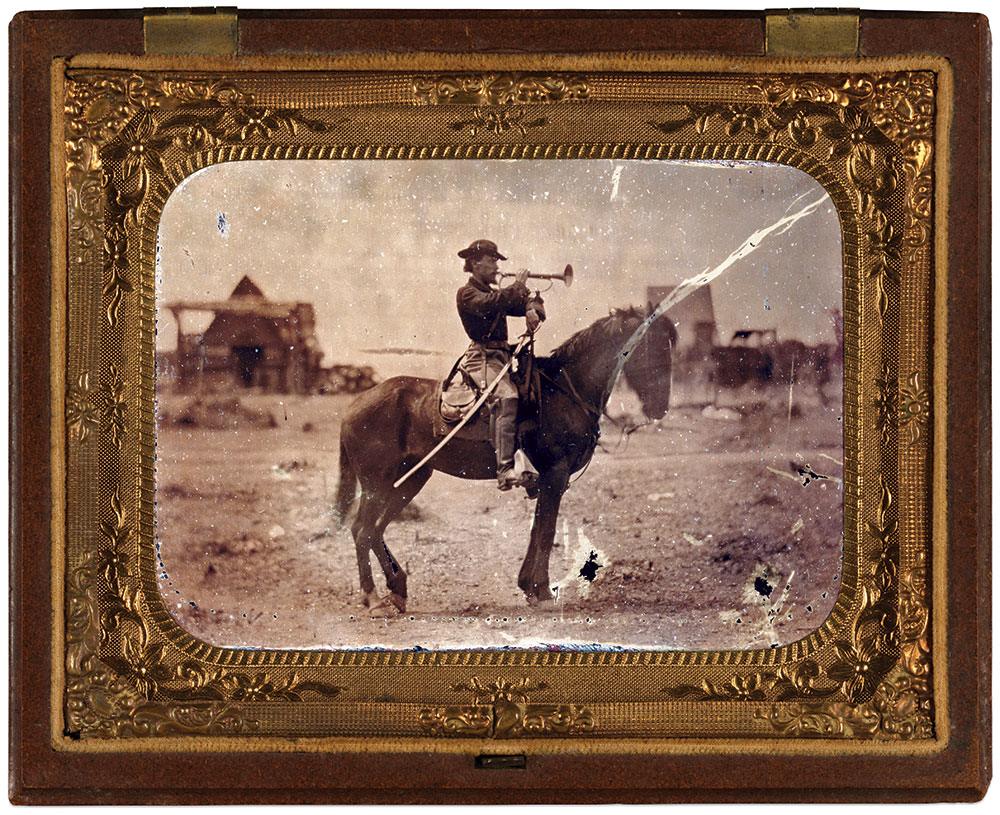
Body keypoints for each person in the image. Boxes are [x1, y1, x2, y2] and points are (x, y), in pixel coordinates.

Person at [455, 239, 545, 490]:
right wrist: (518, 285)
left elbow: (530, 299)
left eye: (497, 260)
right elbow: (494, 303)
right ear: (475, 263)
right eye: (492, 260)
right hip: (481, 359)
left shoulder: (494, 293)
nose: (497, 266)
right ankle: (505, 469)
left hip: (502, 359)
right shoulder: (468, 293)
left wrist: (532, 309)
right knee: (507, 397)